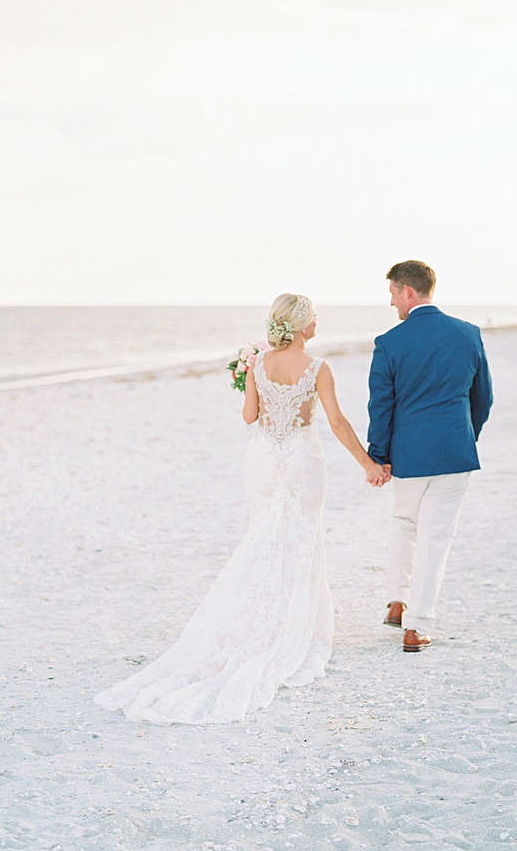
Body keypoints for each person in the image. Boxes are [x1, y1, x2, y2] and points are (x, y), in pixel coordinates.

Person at [95, 293, 388, 725]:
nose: (317, 321)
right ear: (301, 324)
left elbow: (249, 417)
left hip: (264, 460)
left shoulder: (257, 363)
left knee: (265, 534)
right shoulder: (317, 368)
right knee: (300, 537)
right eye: (314, 316)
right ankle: (292, 628)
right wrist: (368, 464)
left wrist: (252, 384)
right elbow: (337, 422)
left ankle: (260, 622)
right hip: (302, 459)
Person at [367, 261, 493, 652]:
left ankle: (398, 602)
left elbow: (381, 406)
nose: (391, 302)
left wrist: (378, 455)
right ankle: (416, 625)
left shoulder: (389, 342)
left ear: (407, 291)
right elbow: (484, 399)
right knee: (435, 536)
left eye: (392, 292)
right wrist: (464, 435)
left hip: (408, 454)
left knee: (405, 522)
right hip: (455, 452)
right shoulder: (468, 333)